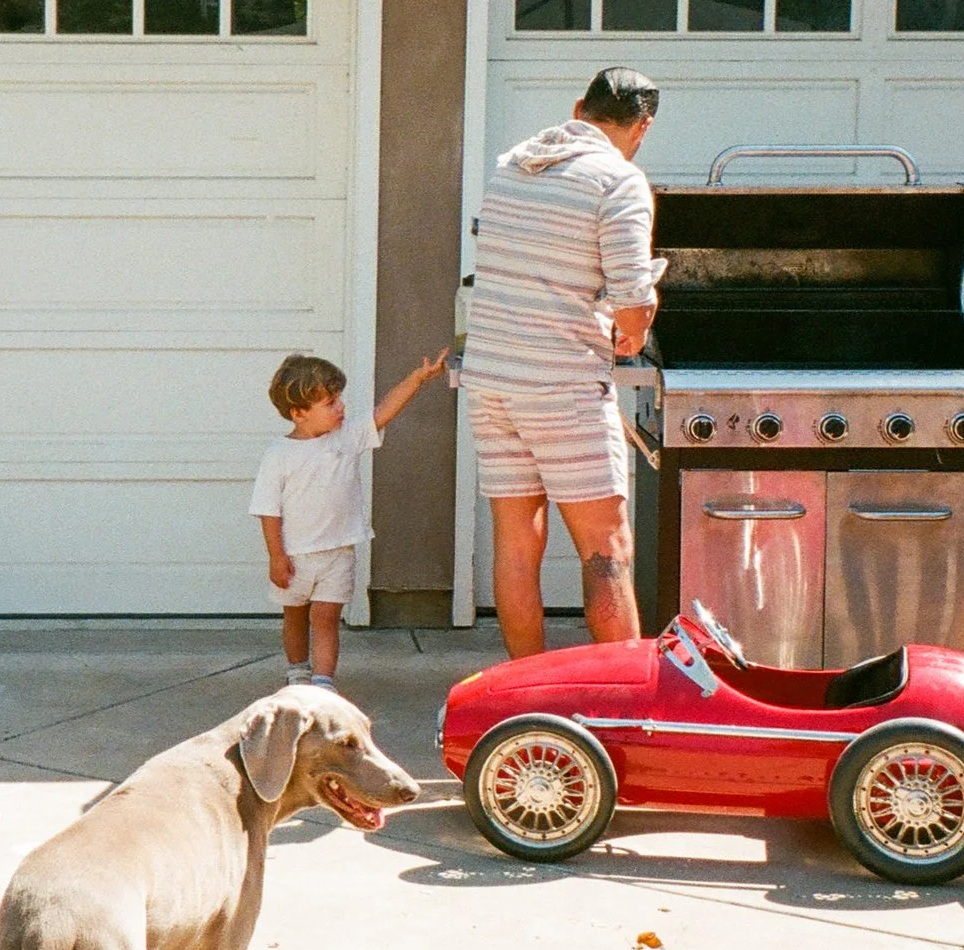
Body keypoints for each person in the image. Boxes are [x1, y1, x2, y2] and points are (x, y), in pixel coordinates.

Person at [462, 66, 661, 657]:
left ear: (580, 107)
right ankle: (624, 707)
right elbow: (632, 298)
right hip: (563, 386)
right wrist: (633, 328)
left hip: (494, 379)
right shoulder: (619, 181)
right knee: (606, 546)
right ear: (641, 128)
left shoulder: (510, 168)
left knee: (517, 546)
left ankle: (527, 697)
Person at [251, 350, 448, 687]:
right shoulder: (278, 455)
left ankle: (323, 681)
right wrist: (276, 557)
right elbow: (268, 510)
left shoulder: (346, 438)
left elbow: (383, 412)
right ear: (298, 413)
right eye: (330, 403)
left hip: (338, 552)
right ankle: (298, 672)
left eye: (339, 399)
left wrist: (415, 380)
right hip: (295, 557)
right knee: (295, 618)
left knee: (326, 618)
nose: (340, 407)